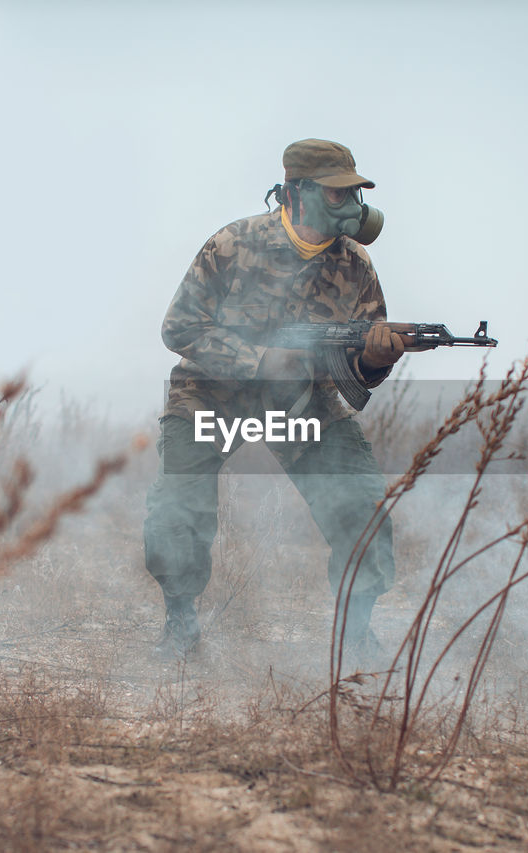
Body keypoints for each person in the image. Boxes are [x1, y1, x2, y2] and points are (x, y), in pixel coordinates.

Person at [143, 138, 405, 660]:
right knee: (179, 505)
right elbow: (179, 328)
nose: (350, 206)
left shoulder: (357, 266)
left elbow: (357, 366)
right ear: (295, 192)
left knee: (361, 503)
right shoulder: (234, 243)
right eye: (336, 195)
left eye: (353, 193)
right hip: (211, 398)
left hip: (303, 404)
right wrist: (258, 360)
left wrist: (378, 359)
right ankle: (180, 623)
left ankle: (355, 638)